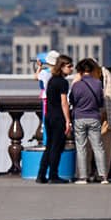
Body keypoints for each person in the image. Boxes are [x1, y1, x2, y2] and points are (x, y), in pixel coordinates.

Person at [70, 58, 108, 185]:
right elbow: (101, 102)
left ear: (79, 71)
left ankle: (83, 177)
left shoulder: (77, 85)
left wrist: (73, 84)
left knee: (81, 148)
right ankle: (103, 176)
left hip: (80, 117)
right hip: (94, 117)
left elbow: (72, 100)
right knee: (98, 147)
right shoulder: (98, 83)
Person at [36, 55, 73, 184]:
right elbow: (64, 102)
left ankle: (41, 174)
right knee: (56, 147)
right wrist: (68, 120)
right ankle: (53, 174)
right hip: (58, 117)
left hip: (49, 116)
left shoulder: (52, 80)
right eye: (69, 66)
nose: (71, 69)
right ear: (62, 67)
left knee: (49, 146)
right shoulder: (63, 82)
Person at [35, 50, 60, 144]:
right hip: (58, 98)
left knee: (47, 121)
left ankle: (47, 141)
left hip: (47, 98)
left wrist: (39, 66)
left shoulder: (45, 73)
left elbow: (36, 77)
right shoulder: (59, 73)